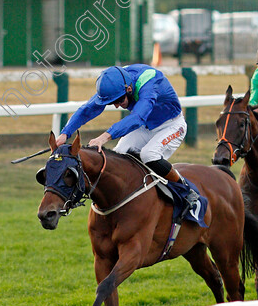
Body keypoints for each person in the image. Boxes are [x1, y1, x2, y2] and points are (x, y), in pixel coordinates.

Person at [54, 64, 200, 211]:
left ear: (129, 89)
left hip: (171, 126)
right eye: (112, 103)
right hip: (145, 127)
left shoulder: (150, 82)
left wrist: (104, 137)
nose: (117, 106)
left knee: (149, 154)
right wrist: (65, 133)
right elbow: (87, 110)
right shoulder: (116, 81)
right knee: (119, 157)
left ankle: (185, 189)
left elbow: (137, 117)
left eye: (119, 101)